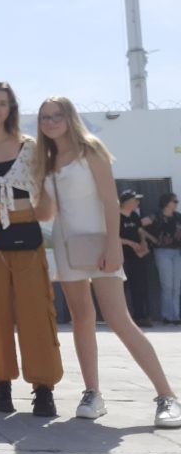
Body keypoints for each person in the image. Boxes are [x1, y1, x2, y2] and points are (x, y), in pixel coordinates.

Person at [34, 96, 180, 428]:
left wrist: (113, 245)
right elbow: (46, 213)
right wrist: (32, 187)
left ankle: (166, 395)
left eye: (57, 115)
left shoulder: (91, 149)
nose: (50, 122)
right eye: (44, 117)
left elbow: (110, 201)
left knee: (118, 319)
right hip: (69, 248)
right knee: (81, 318)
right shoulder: (46, 160)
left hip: (101, 245)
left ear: (70, 117)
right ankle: (92, 394)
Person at [0, 81, 62, 416]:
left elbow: (45, 190)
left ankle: (43, 387)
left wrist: (37, 216)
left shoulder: (29, 146)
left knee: (36, 307)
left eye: (2, 103)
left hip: (25, 226)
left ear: (11, 110)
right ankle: (2, 383)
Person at [118, 189, 153, 327]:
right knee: (122, 288)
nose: (138, 202)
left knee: (139, 286)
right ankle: (122, 317)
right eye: (135, 200)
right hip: (122, 257)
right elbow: (113, 237)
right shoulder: (116, 216)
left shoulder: (134, 215)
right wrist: (131, 243)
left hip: (137, 257)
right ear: (127, 202)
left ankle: (140, 316)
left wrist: (143, 241)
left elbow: (139, 230)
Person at [146, 192, 181, 325]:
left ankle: (176, 315)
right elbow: (139, 226)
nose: (176, 203)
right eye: (174, 201)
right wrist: (150, 239)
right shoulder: (156, 216)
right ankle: (167, 315)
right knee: (167, 285)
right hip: (162, 251)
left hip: (177, 252)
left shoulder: (178, 217)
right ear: (166, 202)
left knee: (176, 286)